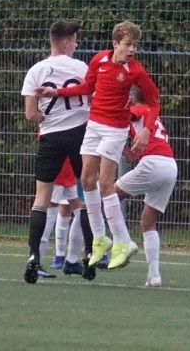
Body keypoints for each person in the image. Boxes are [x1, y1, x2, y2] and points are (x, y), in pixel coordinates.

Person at [37, 20, 161, 271]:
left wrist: (146, 130)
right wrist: (57, 93)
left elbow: (154, 102)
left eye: (135, 45)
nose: (132, 49)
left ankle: (123, 241)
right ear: (115, 43)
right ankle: (100, 239)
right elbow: (87, 87)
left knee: (105, 183)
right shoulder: (99, 60)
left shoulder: (135, 71)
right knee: (86, 180)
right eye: (128, 44)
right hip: (94, 126)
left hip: (115, 129)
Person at [20, 20, 91, 284]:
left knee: (42, 198)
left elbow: (30, 115)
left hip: (50, 137)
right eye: (74, 40)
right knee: (87, 196)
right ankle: (90, 253)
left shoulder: (36, 71)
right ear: (66, 42)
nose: (76, 45)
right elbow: (93, 101)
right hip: (79, 136)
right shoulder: (82, 68)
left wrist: (48, 119)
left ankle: (33, 256)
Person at [114, 87, 178, 287]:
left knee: (108, 197)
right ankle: (154, 275)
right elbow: (133, 154)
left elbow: (123, 116)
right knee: (148, 221)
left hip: (153, 163)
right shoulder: (152, 115)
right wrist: (122, 148)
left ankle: (124, 242)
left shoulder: (140, 109)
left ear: (132, 97)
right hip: (169, 166)